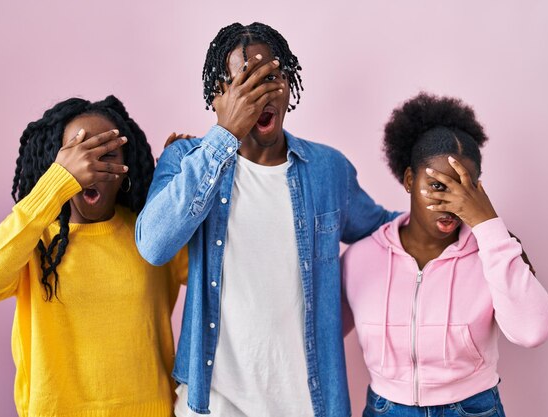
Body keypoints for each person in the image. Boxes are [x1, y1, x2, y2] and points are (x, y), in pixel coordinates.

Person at [135, 22, 398, 417]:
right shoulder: (186, 160)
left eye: (270, 76)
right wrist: (222, 137)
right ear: (218, 96)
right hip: (215, 404)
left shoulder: (328, 169)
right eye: (242, 81)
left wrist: (478, 231)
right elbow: (154, 245)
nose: (259, 91)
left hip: (310, 403)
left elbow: (387, 230)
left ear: (288, 85)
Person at [0, 96, 188, 417]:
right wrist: (55, 185)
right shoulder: (32, 237)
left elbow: (220, 279)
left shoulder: (150, 232)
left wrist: (185, 187)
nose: (90, 168)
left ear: (126, 169)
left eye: (106, 156)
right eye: (78, 156)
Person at [341, 92, 548, 417]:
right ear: (410, 180)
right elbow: (314, 335)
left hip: (472, 408)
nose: (452, 203)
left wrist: (488, 225)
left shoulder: (495, 252)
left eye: (464, 188)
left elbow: (532, 331)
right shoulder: (362, 257)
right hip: (386, 409)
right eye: (439, 185)